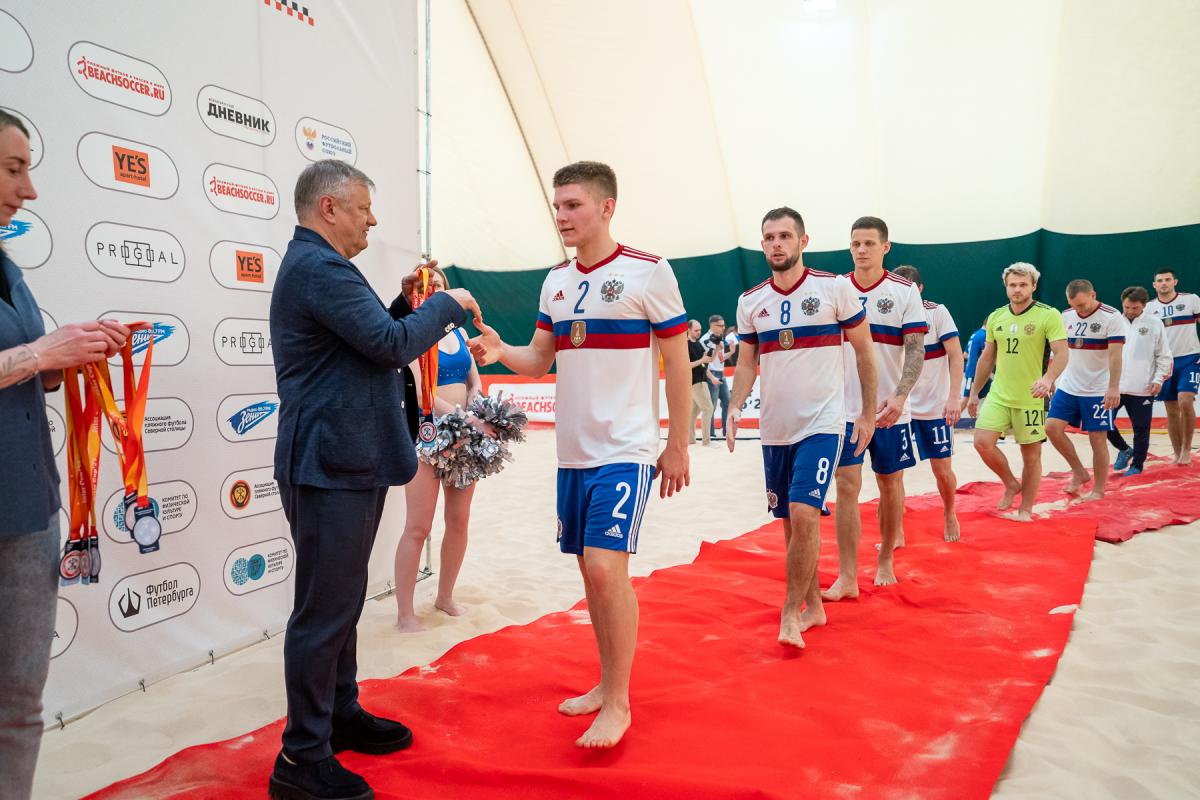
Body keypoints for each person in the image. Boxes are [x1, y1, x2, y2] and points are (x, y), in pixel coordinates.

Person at [268, 159, 482, 800]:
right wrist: (444, 304)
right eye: (363, 208)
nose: (372, 219)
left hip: (342, 458)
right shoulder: (320, 267)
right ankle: (302, 758)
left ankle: (339, 714)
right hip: (328, 462)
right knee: (323, 610)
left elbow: (369, 337)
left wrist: (405, 307)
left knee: (342, 600)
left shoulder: (323, 266)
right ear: (329, 208)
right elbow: (390, 346)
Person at [469, 160, 691, 749]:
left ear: (606, 207)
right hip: (572, 453)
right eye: (558, 206)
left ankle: (618, 702)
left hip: (627, 447)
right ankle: (605, 682)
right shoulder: (556, 281)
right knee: (590, 576)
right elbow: (539, 359)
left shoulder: (648, 271)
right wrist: (500, 350)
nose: (562, 215)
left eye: (573, 205)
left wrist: (677, 443)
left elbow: (678, 363)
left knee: (604, 566)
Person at [0, 111, 130, 800]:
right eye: (13, 169)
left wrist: (70, 358)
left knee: (20, 703)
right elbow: (23, 358)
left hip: (28, 510)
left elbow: (28, 373)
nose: (29, 190)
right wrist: (39, 353)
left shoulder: (10, 270)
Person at [727, 207, 876, 647]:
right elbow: (747, 363)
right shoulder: (751, 301)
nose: (776, 244)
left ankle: (790, 613)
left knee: (806, 512)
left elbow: (864, 352)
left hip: (823, 423)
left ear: (803, 241)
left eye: (785, 236)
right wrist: (734, 406)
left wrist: (867, 413)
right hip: (775, 428)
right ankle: (814, 606)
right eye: (769, 237)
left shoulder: (834, 288)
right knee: (791, 523)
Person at [824, 217, 926, 599]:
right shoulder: (836, 288)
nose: (861, 249)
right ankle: (848, 576)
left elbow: (915, 350)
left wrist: (900, 396)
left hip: (888, 408)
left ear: (885, 247)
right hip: (845, 409)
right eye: (855, 243)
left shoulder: (903, 291)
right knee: (846, 485)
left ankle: (885, 558)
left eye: (869, 243)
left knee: (889, 483)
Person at [393, 265, 493, 632]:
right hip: (427, 435)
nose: (434, 288)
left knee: (459, 520)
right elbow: (424, 394)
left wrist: (477, 402)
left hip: (464, 437)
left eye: (439, 284)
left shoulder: (459, 332)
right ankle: (405, 613)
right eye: (428, 285)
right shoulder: (414, 332)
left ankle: (445, 596)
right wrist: (461, 416)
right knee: (418, 526)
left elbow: (473, 378)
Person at [967, 263, 1069, 522]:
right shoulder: (996, 316)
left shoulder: (1049, 315)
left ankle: (1025, 510)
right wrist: (974, 393)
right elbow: (987, 357)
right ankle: (1011, 483)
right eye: (1012, 285)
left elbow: (1062, 353)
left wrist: (1048, 379)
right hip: (999, 394)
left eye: (1023, 284)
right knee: (982, 442)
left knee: (1030, 455)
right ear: (1006, 287)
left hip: (1031, 398)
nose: (1017, 289)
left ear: (1033, 286)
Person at [891, 265, 963, 542]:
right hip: (900, 406)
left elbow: (956, 356)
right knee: (893, 472)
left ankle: (950, 513)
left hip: (934, 406)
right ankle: (896, 529)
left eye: (908, 289)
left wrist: (954, 397)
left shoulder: (937, 312)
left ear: (919, 289)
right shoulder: (888, 314)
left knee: (941, 469)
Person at [1046, 280, 1125, 500]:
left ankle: (1099, 489)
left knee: (1097, 439)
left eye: (1082, 305)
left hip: (1098, 389)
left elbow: (1116, 356)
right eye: (1074, 305)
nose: (1078, 310)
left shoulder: (1111, 316)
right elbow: (1057, 351)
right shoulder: (1066, 315)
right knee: (1051, 428)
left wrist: (1113, 387)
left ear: (1093, 295)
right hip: (1069, 385)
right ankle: (1079, 471)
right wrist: (1052, 377)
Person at [1108, 286, 1172, 476]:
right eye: (1126, 307)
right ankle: (1124, 449)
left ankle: (1137, 465)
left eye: (1134, 308)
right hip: (1114, 387)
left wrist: (1159, 379)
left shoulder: (1154, 323)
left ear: (1144, 305)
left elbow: (1164, 355)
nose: (1129, 311)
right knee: (1102, 423)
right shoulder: (1113, 321)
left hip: (1142, 387)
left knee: (1141, 429)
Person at [1147, 268, 1199, 464]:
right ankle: (1177, 453)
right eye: (1160, 280)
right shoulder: (1149, 308)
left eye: (1167, 279)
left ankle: (1187, 449)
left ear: (1175, 282)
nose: (1164, 283)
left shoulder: (1191, 300)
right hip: (1164, 363)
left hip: (1190, 359)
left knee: (1185, 400)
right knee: (1171, 409)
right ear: (1154, 285)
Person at [687, 319, 716, 445]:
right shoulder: (685, 345)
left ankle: (690, 440)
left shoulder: (698, 344)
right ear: (688, 330)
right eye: (696, 330)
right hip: (695, 381)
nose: (699, 332)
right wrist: (702, 360)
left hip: (701, 379)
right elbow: (686, 365)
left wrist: (716, 350)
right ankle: (706, 441)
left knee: (693, 412)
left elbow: (707, 361)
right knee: (708, 409)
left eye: (700, 330)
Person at [703, 314, 731, 438]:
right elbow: (704, 362)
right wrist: (710, 376)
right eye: (720, 326)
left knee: (727, 402)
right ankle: (710, 433)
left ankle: (726, 431)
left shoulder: (720, 338)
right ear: (712, 325)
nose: (723, 328)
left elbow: (720, 358)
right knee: (711, 406)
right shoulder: (705, 340)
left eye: (724, 325)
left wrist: (732, 352)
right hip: (711, 372)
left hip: (721, 372)